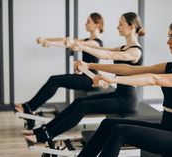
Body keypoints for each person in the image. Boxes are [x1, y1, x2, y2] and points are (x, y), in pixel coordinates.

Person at [75, 18, 172, 157]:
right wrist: (91, 65)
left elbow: (154, 79)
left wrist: (114, 79)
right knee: (108, 123)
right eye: (168, 37)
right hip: (165, 128)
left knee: (120, 131)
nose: (168, 42)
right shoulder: (171, 66)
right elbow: (129, 69)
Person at [24, 12, 145, 143]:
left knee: (84, 107)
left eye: (121, 24)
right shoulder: (123, 47)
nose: (117, 27)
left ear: (132, 26)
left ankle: (45, 136)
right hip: (119, 94)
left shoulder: (135, 51)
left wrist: (83, 48)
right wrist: (82, 46)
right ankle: (43, 130)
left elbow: (108, 56)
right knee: (79, 102)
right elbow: (105, 50)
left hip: (126, 100)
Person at [14, 12, 104, 114]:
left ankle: (29, 108)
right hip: (84, 77)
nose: (85, 24)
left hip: (90, 80)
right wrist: (46, 40)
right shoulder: (88, 40)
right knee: (54, 80)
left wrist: (50, 43)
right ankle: (29, 106)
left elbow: (71, 43)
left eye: (88, 22)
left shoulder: (96, 43)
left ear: (97, 24)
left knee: (55, 80)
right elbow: (66, 40)